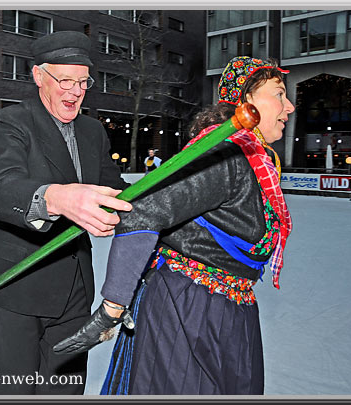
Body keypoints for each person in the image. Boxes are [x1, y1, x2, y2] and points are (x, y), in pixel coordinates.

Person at [54, 56, 295, 395]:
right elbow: (142, 213)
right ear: (246, 101)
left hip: (224, 310)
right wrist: (111, 309)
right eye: (279, 93)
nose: (290, 106)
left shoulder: (254, 160)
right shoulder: (222, 156)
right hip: (187, 311)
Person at [0, 30, 132, 395]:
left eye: (83, 82)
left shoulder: (93, 131)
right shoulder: (12, 122)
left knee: (65, 389)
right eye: (66, 81)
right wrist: (56, 198)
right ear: (39, 76)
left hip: (75, 289)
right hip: (16, 285)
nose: (75, 92)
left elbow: (117, 191)